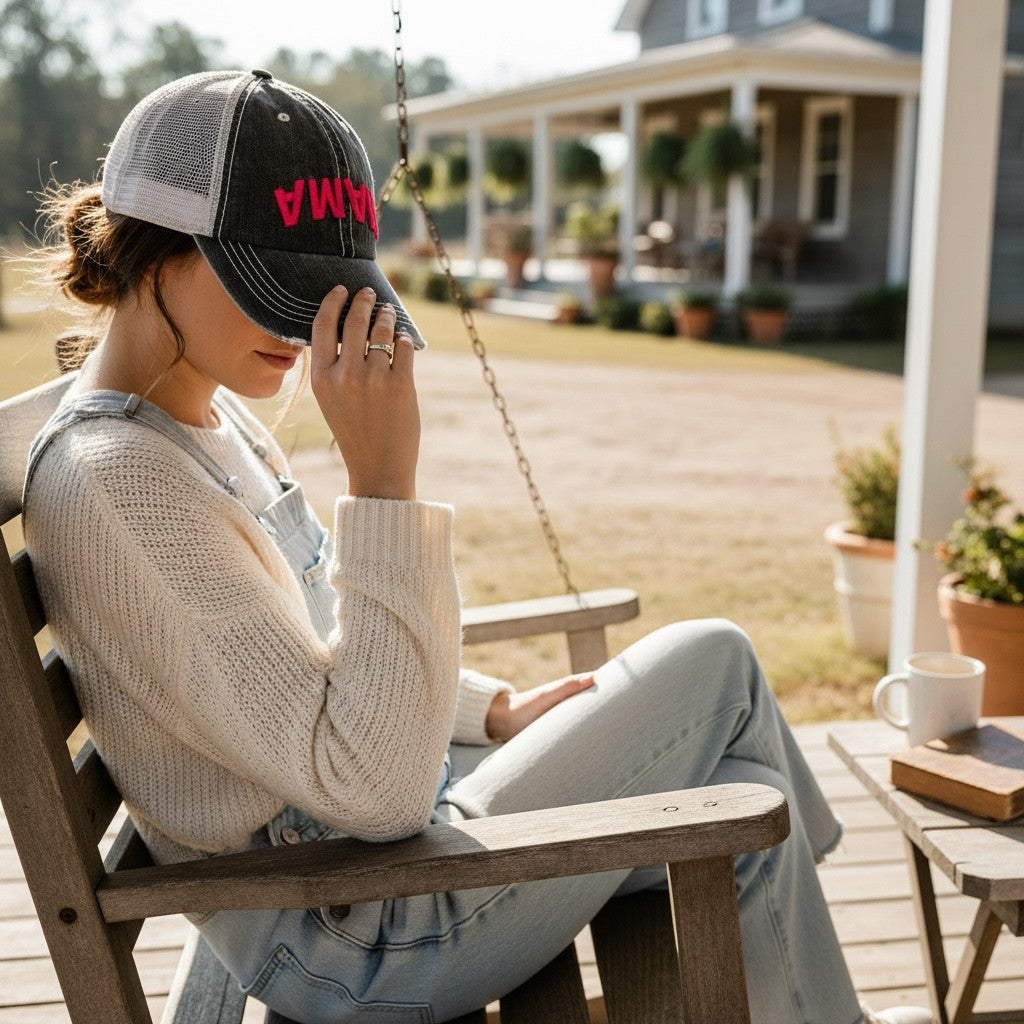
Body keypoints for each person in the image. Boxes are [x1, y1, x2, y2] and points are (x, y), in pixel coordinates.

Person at [22, 69, 930, 1024]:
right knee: (718, 663)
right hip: (354, 930)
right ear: (153, 246)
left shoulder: (190, 420)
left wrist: (492, 712)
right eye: (277, 286)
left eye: (327, 290)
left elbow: (309, 648)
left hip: (366, 873)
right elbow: (376, 790)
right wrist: (383, 487)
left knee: (740, 796)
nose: (303, 327)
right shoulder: (118, 480)